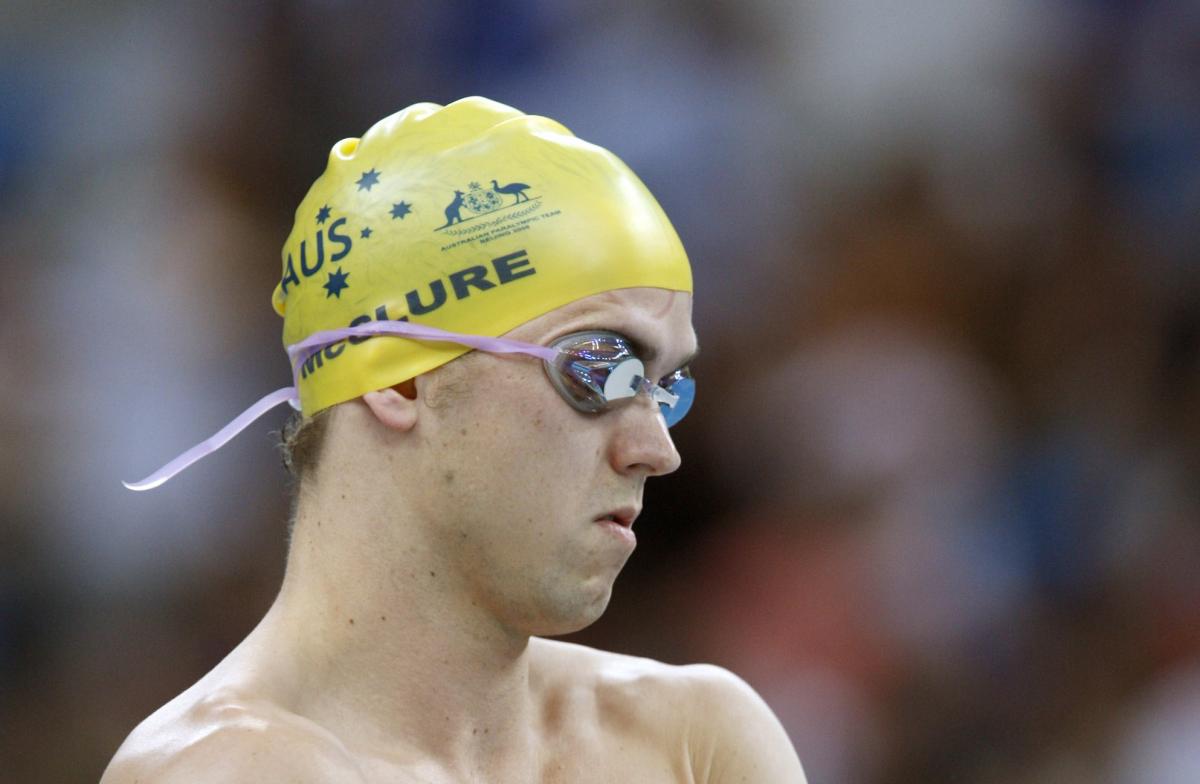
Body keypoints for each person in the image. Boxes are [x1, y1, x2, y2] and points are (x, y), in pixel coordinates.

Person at [102, 97, 805, 782]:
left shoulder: (697, 740)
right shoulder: (224, 771)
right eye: (599, 368)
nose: (658, 448)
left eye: (665, 387)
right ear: (401, 380)